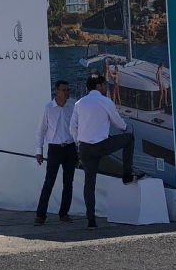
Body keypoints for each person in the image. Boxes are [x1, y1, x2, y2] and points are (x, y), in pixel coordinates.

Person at [69, 75, 140, 228]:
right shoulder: (105, 101)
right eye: (104, 85)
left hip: (85, 148)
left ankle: (91, 219)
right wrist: (127, 128)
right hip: (102, 145)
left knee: (89, 183)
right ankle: (127, 174)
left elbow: (72, 128)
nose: (105, 88)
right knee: (129, 139)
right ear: (99, 86)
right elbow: (119, 124)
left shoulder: (79, 103)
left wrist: (78, 143)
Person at [34, 80, 77, 225]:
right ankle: (41, 215)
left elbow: (78, 127)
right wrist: (39, 151)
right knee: (49, 182)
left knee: (68, 182)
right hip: (54, 148)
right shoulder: (48, 108)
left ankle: (64, 213)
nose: (67, 92)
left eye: (68, 89)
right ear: (56, 91)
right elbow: (41, 131)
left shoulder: (73, 106)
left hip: (70, 147)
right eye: (64, 90)